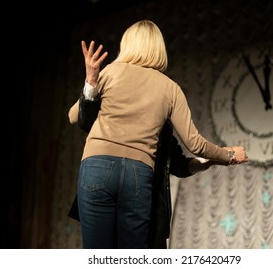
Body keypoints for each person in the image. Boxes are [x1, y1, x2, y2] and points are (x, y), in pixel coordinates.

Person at [71, 19, 248, 249]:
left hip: (97, 167)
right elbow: (194, 143)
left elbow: (74, 116)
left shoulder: (110, 72)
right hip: (138, 174)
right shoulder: (170, 87)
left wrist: (91, 83)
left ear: (128, 45)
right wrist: (228, 154)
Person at [68, 94, 244, 248]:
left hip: (152, 212)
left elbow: (180, 165)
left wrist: (213, 160)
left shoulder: (163, 127)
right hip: (112, 204)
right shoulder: (115, 109)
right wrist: (91, 82)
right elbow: (80, 116)